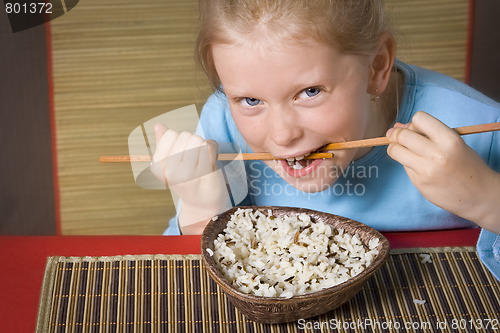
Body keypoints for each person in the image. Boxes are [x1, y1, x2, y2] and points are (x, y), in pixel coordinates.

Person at [150, 0, 500, 280]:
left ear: (376, 66)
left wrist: (487, 200)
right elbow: (183, 290)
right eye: (251, 101)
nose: (282, 134)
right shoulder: (222, 124)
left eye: (310, 91)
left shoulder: (481, 127)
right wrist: (201, 211)